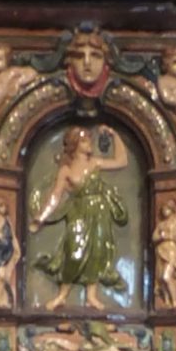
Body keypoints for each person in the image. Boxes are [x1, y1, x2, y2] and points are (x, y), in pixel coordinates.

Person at [31, 124, 130, 308]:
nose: (89, 143)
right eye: (84, 140)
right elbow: (55, 196)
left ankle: (91, 296)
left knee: (97, 253)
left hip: (99, 213)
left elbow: (121, 161)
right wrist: (40, 218)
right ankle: (62, 295)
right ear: (75, 144)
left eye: (89, 140)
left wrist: (114, 134)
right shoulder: (66, 170)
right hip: (78, 214)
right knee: (74, 253)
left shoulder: (95, 163)